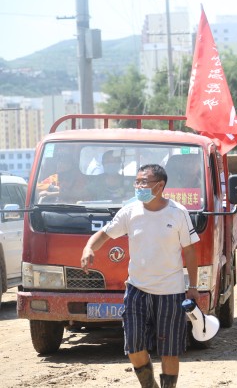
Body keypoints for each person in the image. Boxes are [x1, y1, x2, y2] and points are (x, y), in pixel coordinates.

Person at [80, 164, 200, 388]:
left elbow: (190, 252)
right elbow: (105, 233)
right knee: (134, 347)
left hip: (170, 293)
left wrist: (192, 286)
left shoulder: (178, 212)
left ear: (160, 185)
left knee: (169, 351)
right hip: (137, 290)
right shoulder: (130, 211)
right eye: (137, 182)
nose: (139, 186)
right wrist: (89, 247)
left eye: (144, 182)